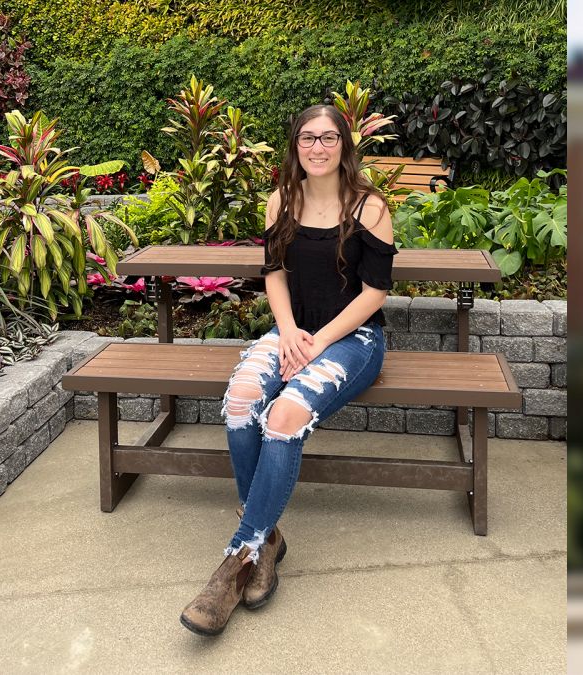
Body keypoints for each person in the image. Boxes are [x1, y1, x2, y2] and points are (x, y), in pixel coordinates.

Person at [180, 104, 396, 637]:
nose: (317, 148)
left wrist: (318, 341)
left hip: (354, 339)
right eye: (307, 138)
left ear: (344, 145)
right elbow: (274, 274)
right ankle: (269, 538)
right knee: (239, 399)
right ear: (294, 145)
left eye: (328, 138)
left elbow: (375, 293)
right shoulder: (283, 199)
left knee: (283, 416)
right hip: (292, 331)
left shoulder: (369, 208)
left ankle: (238, 560)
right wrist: (289, 331)